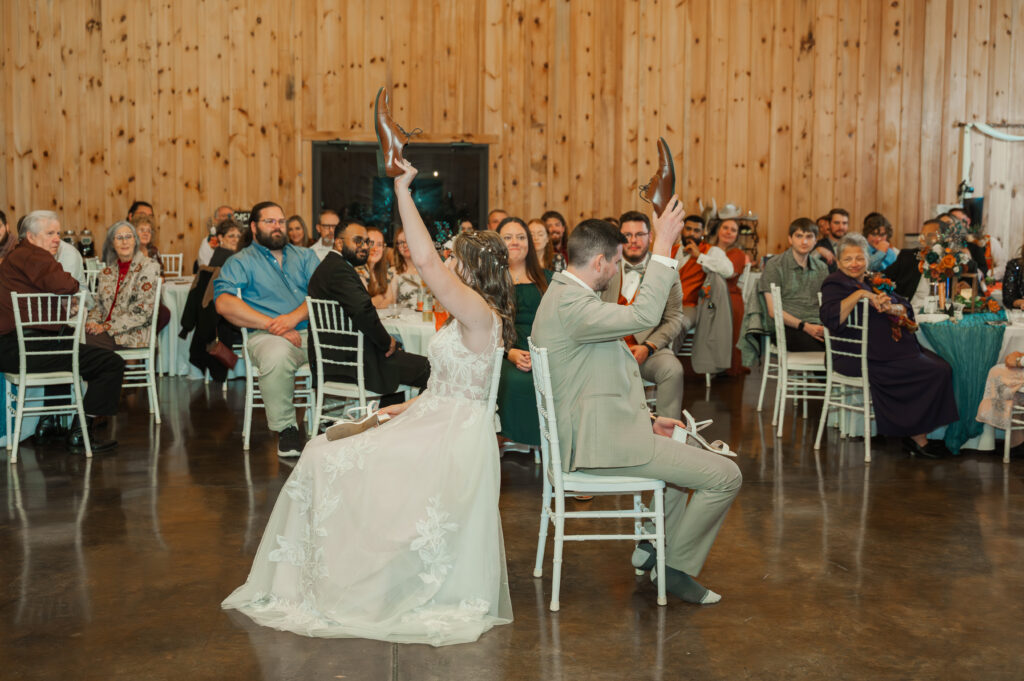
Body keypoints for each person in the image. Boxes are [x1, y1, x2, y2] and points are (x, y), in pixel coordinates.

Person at [223, 158, 514, 645]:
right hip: (434, 417)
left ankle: (350, 583)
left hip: (450, 441)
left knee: (330, 460)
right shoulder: (473, 315)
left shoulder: (479, 313)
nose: (447, 263)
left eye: (454, 259)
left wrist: (403, 190)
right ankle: (340, 572)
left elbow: (424, 263)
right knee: (325, 446)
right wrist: (400, 409)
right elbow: (450, 385)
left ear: (473, 268)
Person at [531, 205, 741, 605]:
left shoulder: (563, 296)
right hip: (598, 444)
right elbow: (645, 312)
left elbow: (595, 381)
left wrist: (648, 421)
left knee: (686, 445)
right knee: (726, 476)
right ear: (599, 261)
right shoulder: (574, 307)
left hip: (600, 428)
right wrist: (663, 244)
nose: (615, 271)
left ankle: (650, 548)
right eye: (614, 262)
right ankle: (675, 568)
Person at [820, 234, 958, 458]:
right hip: (857, 355)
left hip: (888, 350)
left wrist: (893, 306)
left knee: (942, 367)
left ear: (867, 259)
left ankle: (915, 433)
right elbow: (830, 316)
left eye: (859, 258)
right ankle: (917, 438)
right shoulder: (835, 282)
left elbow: (902, 303)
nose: (854, 264)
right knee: (932, 371)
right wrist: (859, 294)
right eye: (848, 259)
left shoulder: (871, 279)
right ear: (838, 261)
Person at [0, 211, 124, 452]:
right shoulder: (36, 256)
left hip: (13, 348)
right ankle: (81, 433)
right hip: (27, 349)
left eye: (58, 233)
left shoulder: (15, 257)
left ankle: (51, 422)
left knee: (68, 346)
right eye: (50, 233)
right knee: (111, 363)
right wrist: (72, 289)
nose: (57, 238)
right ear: (31, 236)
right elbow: (66, 285)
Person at [213, 202, 320, 458]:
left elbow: (322, 294)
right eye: (269, 221)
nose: (277, 227)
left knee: (352, 344)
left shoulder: (305, 256)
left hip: (312, 332)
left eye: (281, 221)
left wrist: (292, 319)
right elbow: (224, 303)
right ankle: (287, 428)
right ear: (254, 226)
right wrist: (273, 325)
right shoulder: (240, 261)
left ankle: (335, 417)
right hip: (266, 335)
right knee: (276, 354)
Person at [307, 219, 430, 406]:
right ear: (339, 243)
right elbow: (362, 312)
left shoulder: (331, 267)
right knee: (431, 369)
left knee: (405, 358)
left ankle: (387, 422)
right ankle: (413, 428)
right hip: (352, 363)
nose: (364, 247)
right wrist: (387, 342)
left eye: (367, 242)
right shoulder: (339, 271)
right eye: (358, 241)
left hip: (339, 359)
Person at [598, 211, 685, 417]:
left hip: (646, 349)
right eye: (627, 235)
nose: (633, 240)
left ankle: (667, 435)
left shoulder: (668, 271)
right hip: (606, 348)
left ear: (651, 237)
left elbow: (674, 317)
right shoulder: (603, 266)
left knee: (673, 370)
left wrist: (649, 346)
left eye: (640, 234)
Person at [495, 217, 552, 446]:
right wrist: (509, 352)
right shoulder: (491, 280)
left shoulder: (547, 279)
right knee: (511, 379)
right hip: (504, 348)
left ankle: (550, 440)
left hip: (543, 348)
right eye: (507, 238)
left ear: (529, 242)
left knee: (546, 379)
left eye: (521, 237)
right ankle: (502, 434)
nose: (515, 242)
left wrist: (540, 352)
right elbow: (486, 325)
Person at [84, 221, 161, 351]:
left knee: (78, 342)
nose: (124, 242)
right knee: (76, 336)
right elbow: (99, 306)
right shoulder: (107, 272)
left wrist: (105, 327)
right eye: (119, 238)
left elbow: (141, 313)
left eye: (128, 237)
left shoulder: (149, 267)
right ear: (112, 244)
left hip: (131, 335)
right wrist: (92, 321)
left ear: (135, 241)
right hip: (105, 333)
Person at [758, 217, 828, 352]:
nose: (804, 241)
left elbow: (826, 303)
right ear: (790, 239)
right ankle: (824, 372)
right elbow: (773, 311)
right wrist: (805, 326)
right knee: (824, 349)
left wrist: (823, 327)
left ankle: (826, 372)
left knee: (844, 343)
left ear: (815, 240)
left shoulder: (821, 268)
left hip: (816, 323)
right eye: (799, 236)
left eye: (809, 236)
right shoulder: (775, 265)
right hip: (786, 327)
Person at [673, 214, 735, 327]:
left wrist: (699, 256)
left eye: (696, 230)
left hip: (690, 306)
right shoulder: (671, 249)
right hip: (664, 306)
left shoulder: (711, 251)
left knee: (677, 325)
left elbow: (728, 270)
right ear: (682, 230)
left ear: (702, 233)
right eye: (688, 229)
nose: (691, 233)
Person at [709, 217, 750, 375]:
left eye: (733, 230)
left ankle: (727, 366)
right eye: (725, 227)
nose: (728, 232)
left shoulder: (737, 253)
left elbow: (729, 273)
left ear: (737, 236)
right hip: (709, 296)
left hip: (729, 296)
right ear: (718, 230)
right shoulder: (709, 249)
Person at [355, 226, 394, 308]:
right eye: (371, 244)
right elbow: (365, 306)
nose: (375, 249)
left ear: (384, 248)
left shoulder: (385, 271)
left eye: (379, 245)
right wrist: (381, 297)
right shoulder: (359, 271)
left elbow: (391, 300)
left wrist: (375, 301)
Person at [387, 227, 423, 309]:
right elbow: (391, 305)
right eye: (401, 242)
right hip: (406, 320)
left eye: (408, 241)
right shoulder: (393, 272)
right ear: (397, 247)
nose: (405, 245)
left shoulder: (429, 270)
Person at [813, 208, 850, 272]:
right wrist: (818, 251)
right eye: (836, 223)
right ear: (829, 224)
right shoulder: (818, 246)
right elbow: (807, 267)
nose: (841, 227)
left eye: (844, 223)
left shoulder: (854, 244)